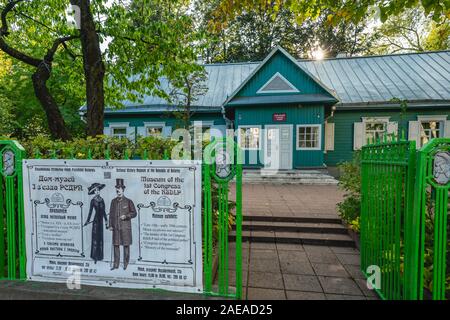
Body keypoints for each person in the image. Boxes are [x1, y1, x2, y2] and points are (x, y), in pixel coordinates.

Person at [108, 178, 137, 270]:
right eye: (117, 189)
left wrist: (126, 216)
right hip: (116, 228)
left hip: (125, 228)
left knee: (126, 246)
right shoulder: (113, 202)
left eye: (120, 189)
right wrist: (110, 225)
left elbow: (134, 213)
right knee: (116, 245)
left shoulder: (129, 201)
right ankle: (116, 265)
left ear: (123, 190)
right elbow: (111, 214)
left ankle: (125, 264)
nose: (118, 191)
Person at [84, 183, 108, 263]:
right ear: (94, 192)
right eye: (95, 191)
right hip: (95, 222)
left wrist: (106, 220)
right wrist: (87, 221)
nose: (97, 192)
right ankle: (94, 257)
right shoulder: (93, 201)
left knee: (100, 240)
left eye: (98, 190)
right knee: (95, 240)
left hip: (101, 223)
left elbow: (104, 211)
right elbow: (90, 212)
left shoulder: (102, 200)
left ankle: (100, 256)